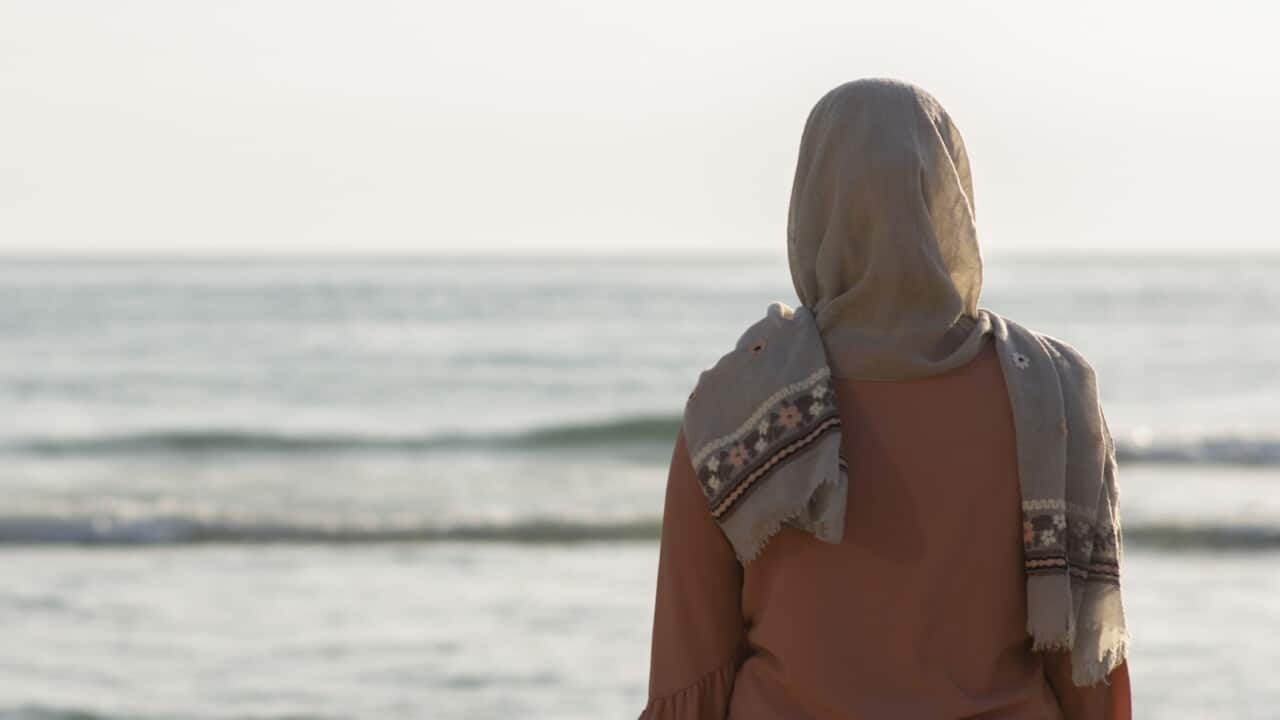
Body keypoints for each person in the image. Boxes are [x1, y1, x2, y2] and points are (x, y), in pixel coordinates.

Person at [639, 79, 1132, 719]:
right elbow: (1085, 662)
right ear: (950, 201)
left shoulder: (739, 403)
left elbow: (690, 673)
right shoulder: (1053, 394)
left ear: (813, 202)